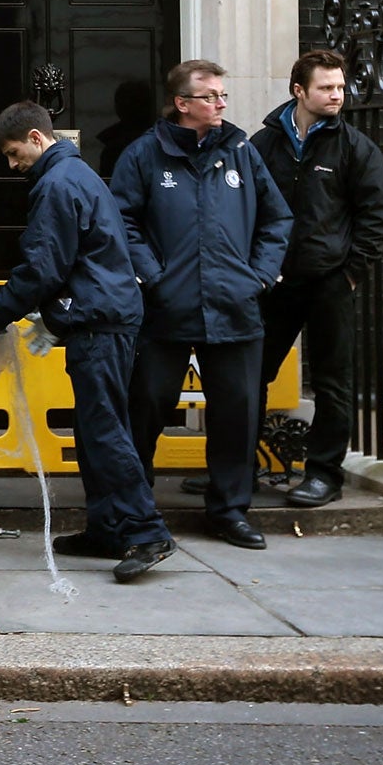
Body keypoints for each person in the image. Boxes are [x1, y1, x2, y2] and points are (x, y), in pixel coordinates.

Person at [0, 101, 174, 583]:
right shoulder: (76, 176)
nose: (12, 164)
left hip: (99, 321)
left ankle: (147, 531)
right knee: (94, 428)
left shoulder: (57, 184)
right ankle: (107, 527)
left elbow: (43, 266)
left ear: (38, 139)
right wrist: (56, 321)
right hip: (101, 316)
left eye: (15, 152)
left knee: (104, 429)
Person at [110, 59, 292, 550]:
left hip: (235, 307)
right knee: (146, 406)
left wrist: (257, 277)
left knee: (237, 412)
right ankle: (134, 509)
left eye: (223, 95)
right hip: (165, 309)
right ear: (182, 103)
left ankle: (230, 510)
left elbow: (278, 218)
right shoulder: (143, 154)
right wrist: (153, 274)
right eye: (210, 96)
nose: (221, 103)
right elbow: (120, 221)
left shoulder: (240, 151)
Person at [251, 49, 383, 508]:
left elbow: (377, 214)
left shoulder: (355, 148)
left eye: (340, 87)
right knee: (249, 373)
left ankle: (324, 476)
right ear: (299, 91)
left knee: (332, 382)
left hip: (331, 281)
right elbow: (244, 207)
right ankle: (238, 469)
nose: (337, 95)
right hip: (275, 281)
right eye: (326, 88)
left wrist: (351, 274)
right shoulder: (263, 145)